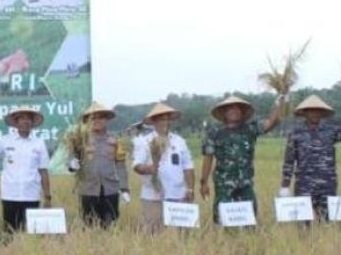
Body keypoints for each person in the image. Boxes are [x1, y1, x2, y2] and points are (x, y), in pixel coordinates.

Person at [200, 94, 285, 225]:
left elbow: (270, 123)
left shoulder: (250, 129)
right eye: (231, 109)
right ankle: (223, 242)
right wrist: (204, 183)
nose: (235, 111)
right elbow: (208, 158)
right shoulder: (214, 132)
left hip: (245, 183)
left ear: (243, 112)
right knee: (222, 220)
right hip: (224, 184)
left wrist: (279, 103)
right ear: (224, 112)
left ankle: (247, 242)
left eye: (238, 109)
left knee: (249, 218)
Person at [280, 95, 341, 221]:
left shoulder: (331, 131)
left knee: (327, 221)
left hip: (327, 183)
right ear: (305, 113)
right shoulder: (295, 133)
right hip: (304, 184)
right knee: (303, 222)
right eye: (311, 111)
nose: (315, 114)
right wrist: (285, 186)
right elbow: (289, 161)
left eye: (318, 111)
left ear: (322, 113)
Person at [0, 105, 52, 233]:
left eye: (28, 118)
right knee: (9, 233)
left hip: (31, 196)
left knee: (31, 234)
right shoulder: (5, 141)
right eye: (21, 118)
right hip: (9, 195)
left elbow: (43, 171)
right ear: (16, 122)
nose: (25, 121)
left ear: (32, 122)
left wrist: (47, 197)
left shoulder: (39, 143)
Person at [131, 103, 195, 233]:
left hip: (179, 195)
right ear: (154, 121)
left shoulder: (179, 141)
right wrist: (150, 169)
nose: (165, 122)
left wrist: (190, 188)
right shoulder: (144, 142)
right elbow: (137, 166)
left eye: (168, 118)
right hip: (153, 196)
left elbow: (188, 166)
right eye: (161, 118)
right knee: (154, 235)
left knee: (182, 236)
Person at [66, 102, 129, 228]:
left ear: (107, 120)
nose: (97, 121)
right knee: (89, 225)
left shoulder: (115, 141)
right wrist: (72, 164)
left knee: (110, 225)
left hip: (110, 189)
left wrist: (125, 189)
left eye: (100, 117)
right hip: (88, 190)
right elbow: (71, 159)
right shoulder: (80, 140)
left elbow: (121, 166)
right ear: (87, 121)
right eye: (93, 118)